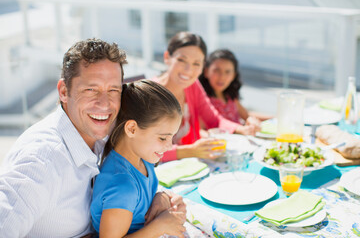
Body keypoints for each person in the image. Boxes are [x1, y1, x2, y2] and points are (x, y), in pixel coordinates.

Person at [0, 38, 185, 237]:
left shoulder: (103, 129)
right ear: (64, 91)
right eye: (91, 89)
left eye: (113, 90)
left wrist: (161, 197)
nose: (104, 104)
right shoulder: (41, 161)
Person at [90, 80, 186, 237]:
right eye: (163, 138)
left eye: (171, 137)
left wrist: (161, 197)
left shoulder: (143, 159)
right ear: (132, 129)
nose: (169, 146)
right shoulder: (122, 186)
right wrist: (160, 226)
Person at [153, 31, 260, 162]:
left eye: (196, 63)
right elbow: (146, 149)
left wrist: (243, 129)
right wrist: (190, 151)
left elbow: (214, 120)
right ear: (167, 57)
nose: (188, 70)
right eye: (181, 60)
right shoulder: (151, 93)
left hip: (191, 164)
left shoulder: (192, 85)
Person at [199, 49, 272, 126]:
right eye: (217, 70)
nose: (222, 77)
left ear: (233, 75)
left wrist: (274, 118)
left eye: (227, 72)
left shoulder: (231, 96)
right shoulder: (203, 100)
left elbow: (246, 115)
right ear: (206, 72)